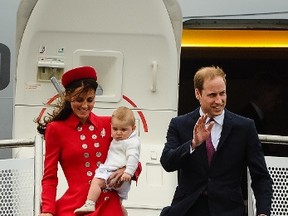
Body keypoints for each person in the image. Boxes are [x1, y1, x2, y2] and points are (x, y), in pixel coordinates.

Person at [160, 66, 273, 216]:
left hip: (228, 210)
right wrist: (193, 144)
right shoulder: (180, 124)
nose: (219, 101)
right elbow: (167, 162)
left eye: (223, 94)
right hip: (188, 209)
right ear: (197, 94)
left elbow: (261, 176)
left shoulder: (245, 127)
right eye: (212, 95)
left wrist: (263, 212)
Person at [36, 66, 141, 216]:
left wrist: (126, 170)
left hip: (107, 201)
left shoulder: (109, 124)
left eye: (90, 100)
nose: (85, 105)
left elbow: (134, 155)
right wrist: (48, 210)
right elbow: (50, 176)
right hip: (76, 204)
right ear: (68, 97)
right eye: (79, 100)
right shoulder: (56, 129)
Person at [74, 106, 141, 215]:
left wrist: (128, 171)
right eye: (115, 129)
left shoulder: (131, 142)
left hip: (113, 173)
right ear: (111, 126)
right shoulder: (123, 136)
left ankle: (90, 203)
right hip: (121, 179)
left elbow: (134, 157)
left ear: (133, 129)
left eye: (123, 130)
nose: (119, 133)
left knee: (97, 182)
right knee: (117, 203)